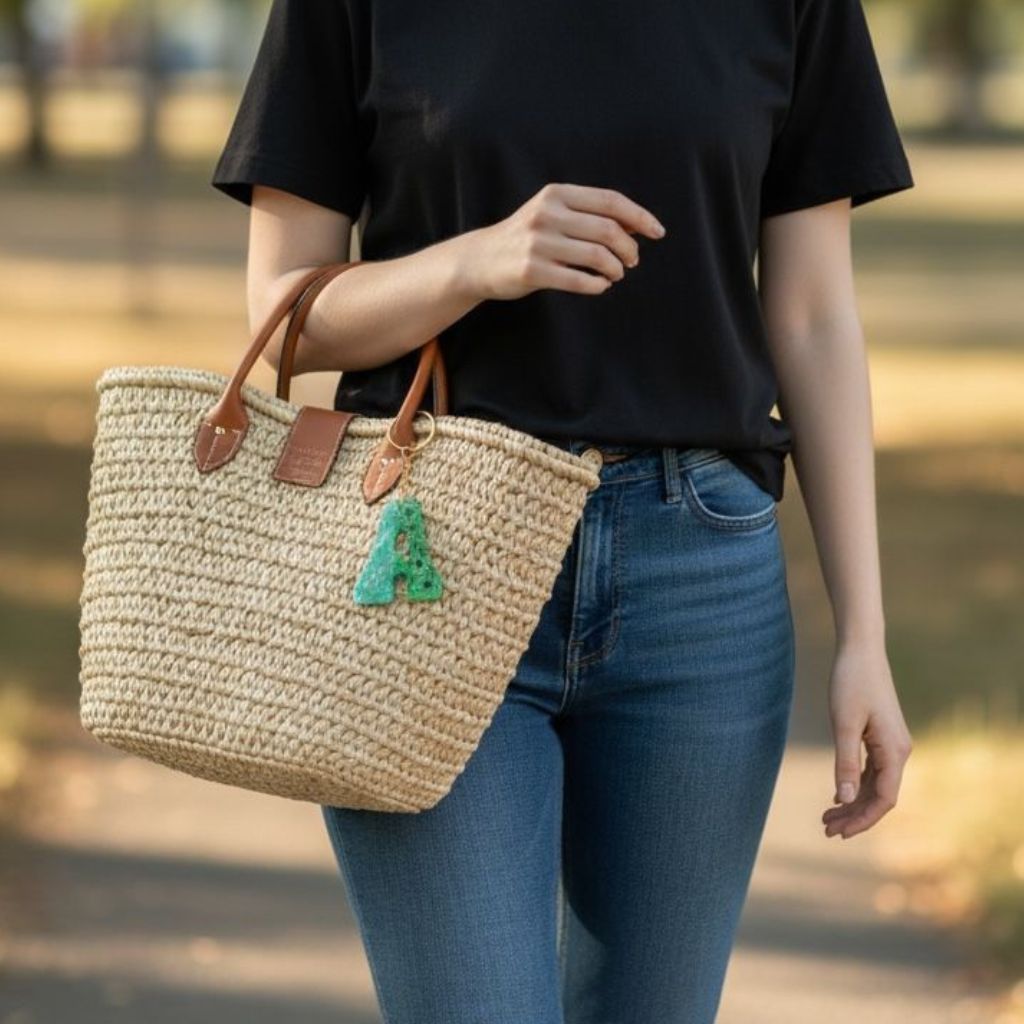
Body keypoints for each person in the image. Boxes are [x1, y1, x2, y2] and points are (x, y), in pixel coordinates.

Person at [211, 0, 915, 1019]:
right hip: (426, 568)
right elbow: (283, 311)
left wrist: (865, 638)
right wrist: (475, 263)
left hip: (700, 589)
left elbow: (809, 318)